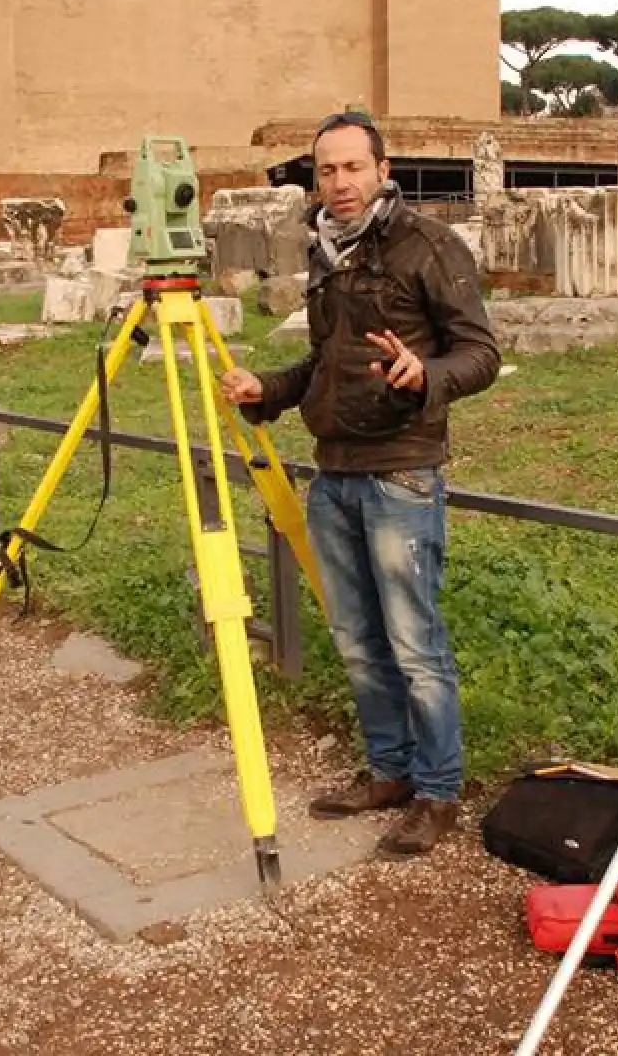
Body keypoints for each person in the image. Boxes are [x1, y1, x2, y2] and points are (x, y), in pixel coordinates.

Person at [221, 111, 501, 859]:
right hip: (335, 473)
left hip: (402, 471)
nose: (339, 183)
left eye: (352, 168)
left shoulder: (429, 247)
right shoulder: (327, 251)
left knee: (415, 643)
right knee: (356, 638)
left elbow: (480, 353)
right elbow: (325, 362)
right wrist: (266, 390)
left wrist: (426, 374)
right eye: (326, 171)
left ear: (382, 170)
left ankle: (439, 792)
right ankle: (389, 771)